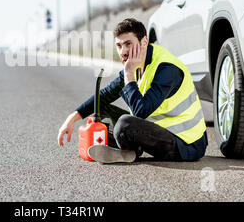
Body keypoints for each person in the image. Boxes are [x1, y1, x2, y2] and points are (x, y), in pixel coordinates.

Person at [57, 18, 208, 163]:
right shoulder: (136, 63)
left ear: (144, 42)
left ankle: (127, 150)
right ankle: (127, 150)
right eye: (118, 45)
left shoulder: (167, 69)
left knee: (125, 124)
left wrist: (128, 74)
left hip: (186, 144)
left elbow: (140, 112)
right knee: (100, 109)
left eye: (128, 44)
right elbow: (105, 95)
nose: (123, 51)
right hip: (159, 132)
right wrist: (71, 119)